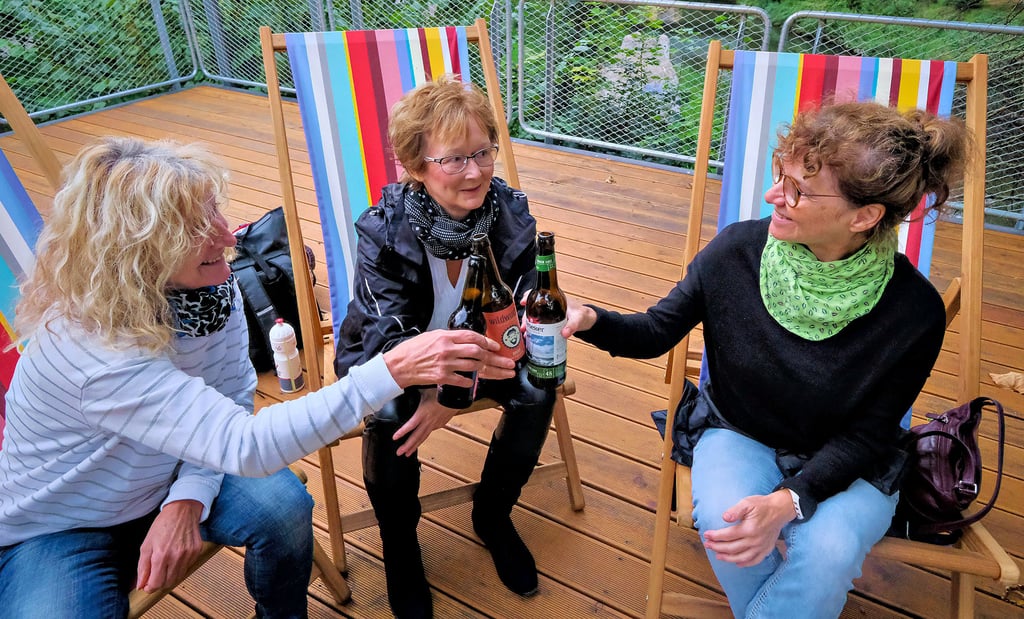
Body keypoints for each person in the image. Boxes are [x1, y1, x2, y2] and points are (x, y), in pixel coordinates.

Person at [0, 137, 514, 619]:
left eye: (215, 212)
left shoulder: (207, 294)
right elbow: (245, 446)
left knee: (284, 510)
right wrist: (394, 368)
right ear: (136, 253)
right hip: (61, 528)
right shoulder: (92, 352)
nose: (228, 237)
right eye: (196, 229)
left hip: (171, 473)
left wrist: (187, 497)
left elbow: (231, 396)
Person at [565, 101, 969, 618]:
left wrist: (790, 500)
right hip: (740, 429)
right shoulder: (737, 252)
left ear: (864, 216)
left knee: (827, 553)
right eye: (781, 175)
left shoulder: (913, 311)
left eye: (798, 189)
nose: (773, 195)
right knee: (727, 521)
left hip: (850, 458)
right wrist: (589, 319)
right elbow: (655, 332)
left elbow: (869, 435)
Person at [333, 74, 552, 618]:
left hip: (480, 355)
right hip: (400, 355)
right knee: (391, 412)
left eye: (482, 152)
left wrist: (451, 397)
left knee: (539, 386)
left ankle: (493, 513)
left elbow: (527, 313)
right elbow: (389, 341)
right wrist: (437, 393)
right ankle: (399, 544)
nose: (474, 172)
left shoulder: (511, 215)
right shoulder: (383, 232)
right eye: (454, 159)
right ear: (416, 166)